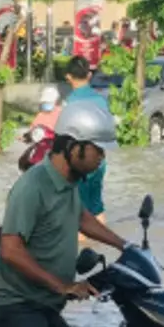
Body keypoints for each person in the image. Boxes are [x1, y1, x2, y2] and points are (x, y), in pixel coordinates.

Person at [0, 101, 131, 327]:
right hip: (18, 309)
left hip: (45, 310)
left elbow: (81, 218)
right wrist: (61, 285)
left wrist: (125, 245)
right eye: (97, 150)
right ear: (73, 146)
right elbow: (10, 249)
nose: (101, 158)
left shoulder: (69, 184)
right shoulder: (33, 186)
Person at [60, 56, 110, 233]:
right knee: (96, 205)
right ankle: (102, 246)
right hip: (100, 160)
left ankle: (83, 250)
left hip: (79, 161)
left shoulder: (69, 103)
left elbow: (62, 136)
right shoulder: (101, 100)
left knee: (78, 211)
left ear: (68, 77)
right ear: (89, 75)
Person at [19, 85, 62, 171]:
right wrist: (26, 137)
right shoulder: (41, 115)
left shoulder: (61, 113)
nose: (46, 105)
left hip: (56, 151)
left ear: (55, 101)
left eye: (48, 102)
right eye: (45, 103)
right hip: (40, 151)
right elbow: (33, 131)